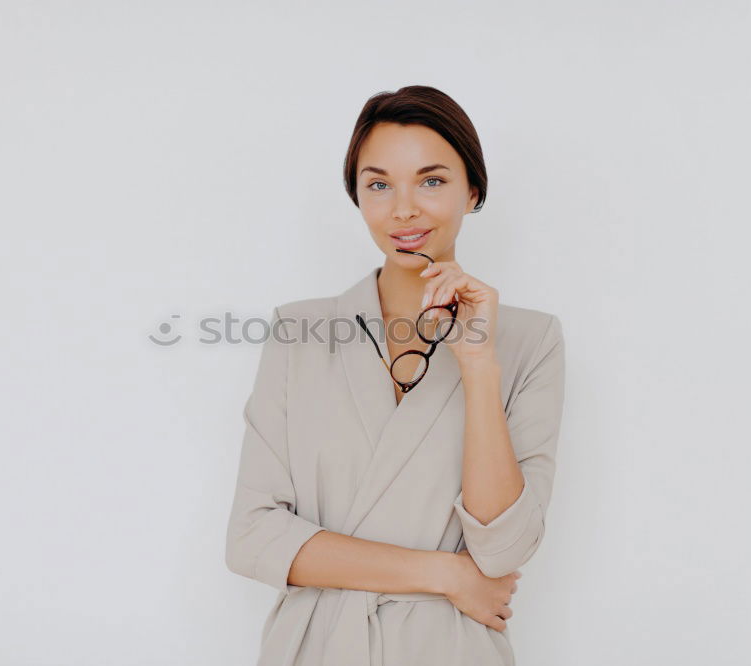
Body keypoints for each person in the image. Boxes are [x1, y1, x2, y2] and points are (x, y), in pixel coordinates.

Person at [224, 85, 566, 666]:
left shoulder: (530, 341)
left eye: (431, 180)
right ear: (357, 196)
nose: (403, 209)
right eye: (378, 184)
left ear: (473, 189)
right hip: (314, 649)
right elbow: (252, 538)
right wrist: (446, 575)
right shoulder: (298, 331)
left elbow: (503, 546)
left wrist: (478, 365)